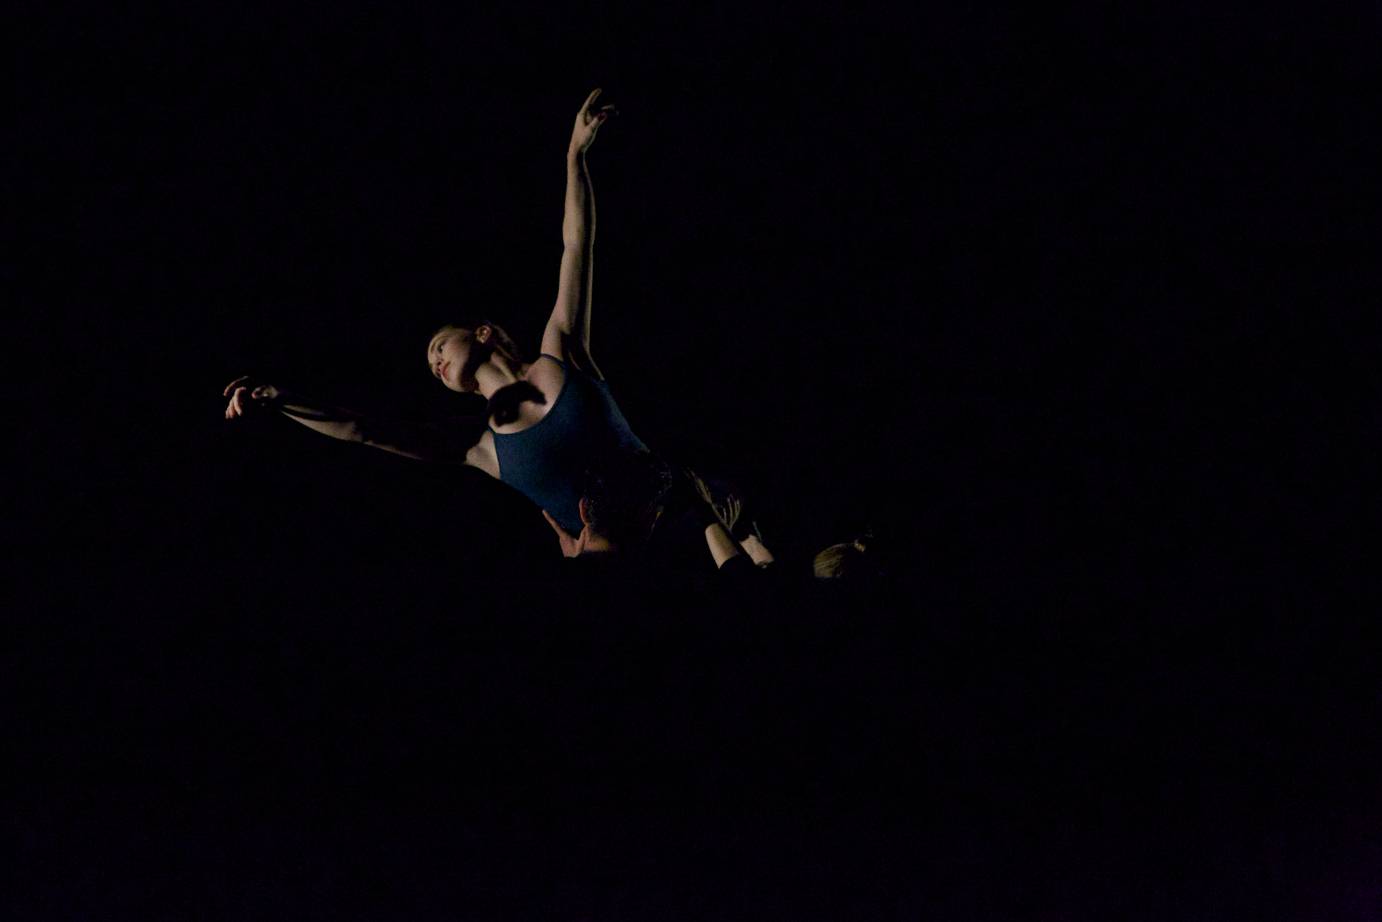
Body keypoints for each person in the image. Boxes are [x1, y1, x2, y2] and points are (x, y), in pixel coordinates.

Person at [224, 89, 645, 537]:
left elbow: (576, 247)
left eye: (439, 346)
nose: (436, 362)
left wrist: (574, 154)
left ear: (482, 333)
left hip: (694, 520)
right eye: (432, 365)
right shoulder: (478, 445)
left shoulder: (559, 349)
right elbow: (362, 429)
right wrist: (279, 398)